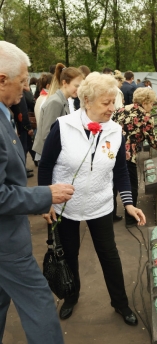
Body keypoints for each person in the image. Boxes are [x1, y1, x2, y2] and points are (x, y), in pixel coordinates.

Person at [38, 72, 146, 325]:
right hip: (65, 207)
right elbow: (45, 166)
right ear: (87, 101)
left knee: (109, 255)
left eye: (113, 102)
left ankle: (120, 303)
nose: (112, 108)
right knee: (70, 254)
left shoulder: (116, 131)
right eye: (106, 103)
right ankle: (71, 297)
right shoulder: (63, 126)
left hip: (101, 204)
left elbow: (120, 170)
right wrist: (45, 201)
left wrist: (128, 203)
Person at [0, 40, 75, 344]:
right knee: (40, 305)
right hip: (6, 242)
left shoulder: (6, 111)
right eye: (21, 82)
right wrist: (46, 195)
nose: (26, 89)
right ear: (1, 79)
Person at [113, 88, 157, 226]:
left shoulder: (121, 110)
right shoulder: (145, 118)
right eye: (151, 103)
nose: (152, 106)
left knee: (112, 185)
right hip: (127, 155)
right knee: (132, 186)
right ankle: (131, 219)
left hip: (111, 152)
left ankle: (111, 215)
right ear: (144, 102)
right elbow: (152, 141)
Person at [33, 63, 84, 162]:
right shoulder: (56, 102)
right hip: (49, 156)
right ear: (64, 83)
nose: (79, 89)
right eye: (76, 85)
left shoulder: (63, 100)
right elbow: (48, 135)